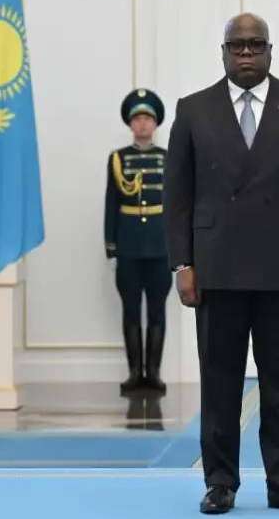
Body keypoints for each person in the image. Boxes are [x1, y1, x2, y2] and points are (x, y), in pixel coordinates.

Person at [165, 13, 279, 515]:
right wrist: (183, 264)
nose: (246, 54)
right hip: (215, 270)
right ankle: (220, 482)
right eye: (237, 46)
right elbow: (177, 195)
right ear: (222, 52)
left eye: (255, 45)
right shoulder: (194, 109)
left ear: (270, 50)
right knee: (219, 383)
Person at [104, 88, 172, 395]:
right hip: (129, 246)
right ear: (130, 124)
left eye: (147, 118)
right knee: (131, 310)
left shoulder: (168, 159)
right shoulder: (118, 159)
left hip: (160, 246)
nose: (143, 124)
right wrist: (111, 243)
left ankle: (154, 374)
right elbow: (111, 203)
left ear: (155, 123)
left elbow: (177, 205)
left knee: (157, 310)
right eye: (137, 119)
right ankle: (134, 374)